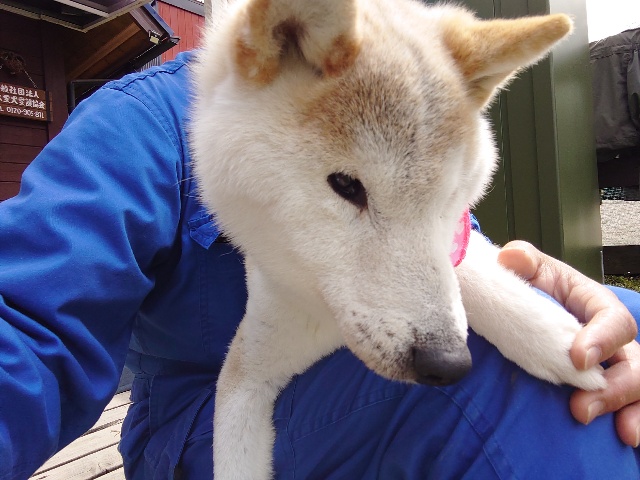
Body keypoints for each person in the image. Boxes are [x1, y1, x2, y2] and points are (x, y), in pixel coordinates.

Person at [0, 50, 639, 480]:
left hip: (362, 381)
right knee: (490, 379)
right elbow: (29, 327)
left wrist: (563, 298)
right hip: (203, 425)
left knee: (621, 328)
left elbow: (457, 251)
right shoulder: (142, 123)